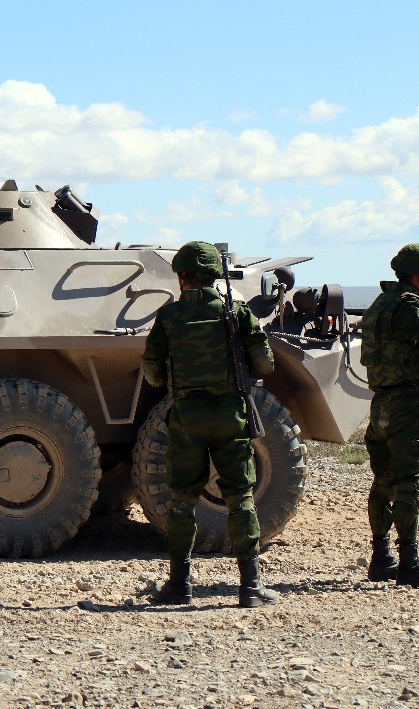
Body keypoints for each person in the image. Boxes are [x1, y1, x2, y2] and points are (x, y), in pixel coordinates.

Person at [141, 241, 279, 608]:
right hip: (230, 416)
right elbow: (265, 364)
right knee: (240, 497)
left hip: (187, 417)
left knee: (182, 501)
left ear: (181, 277)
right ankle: (250, 587)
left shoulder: (168, 317)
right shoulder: (235, 313)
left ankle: (179, 585)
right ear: (214, 275)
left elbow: (152, 373)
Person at [358, 243, 419, 589]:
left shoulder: (379, 304)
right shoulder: (410, 307)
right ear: (418, 277)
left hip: (379, 404)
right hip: (405, 406)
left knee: (382, 481)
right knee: (408, 483)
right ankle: (410, 564)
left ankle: (381, 558)